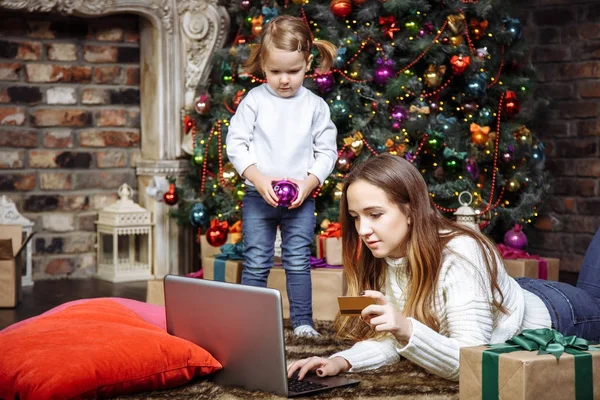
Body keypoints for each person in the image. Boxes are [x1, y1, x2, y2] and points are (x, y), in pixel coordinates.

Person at [287, 153, 600, 380]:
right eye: (356, 217)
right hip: (503, 296)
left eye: (375, 214)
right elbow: (392, 342)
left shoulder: (460, 253)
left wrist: (405, 327)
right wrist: (340, 361)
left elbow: (471, 361)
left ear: (411, 210)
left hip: (560, 314)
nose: (363, 229)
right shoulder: (385, 252)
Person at [226, 15, 338, 337]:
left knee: (298, 261)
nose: (284, 80)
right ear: (263, 64)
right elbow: (236, 144)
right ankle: (252, 322)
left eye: (293, 71)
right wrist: (259, 180)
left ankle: (303, 322)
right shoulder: (254, 101)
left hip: (300, 200)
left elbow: (327, 152)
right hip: (257, 197)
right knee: (257, 261)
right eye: (275, 72)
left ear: (308, 63)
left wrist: (309, 182)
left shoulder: (316, 106)